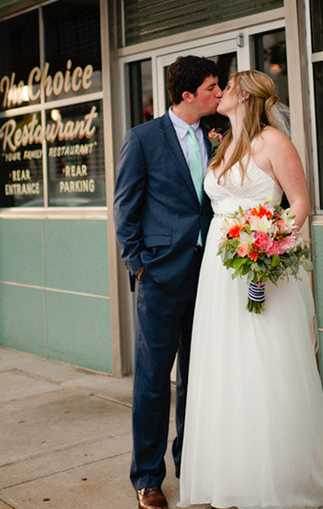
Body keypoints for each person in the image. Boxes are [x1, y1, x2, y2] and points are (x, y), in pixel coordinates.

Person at [178, 70, 323, 509]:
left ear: (245, 97)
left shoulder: (273, 142)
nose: (219, 94)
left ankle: (279, 475)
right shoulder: (225, 143)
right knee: (226, 365)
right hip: (221, 271)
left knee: (266, 362)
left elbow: (300, 204)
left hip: (263, 268)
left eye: (227, 88)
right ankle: (231, 473)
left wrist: (269, 246)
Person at [114, 55, 222, 509]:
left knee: (198, 377)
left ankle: (190, 463)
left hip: (210, 275)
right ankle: (148, 476)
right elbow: (125, 207)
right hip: (159, 275)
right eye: (213, 87)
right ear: (187, 94)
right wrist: (139, 264)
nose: (219, 94)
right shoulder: (143, 139)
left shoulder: (219, 136)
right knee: (155, 380)